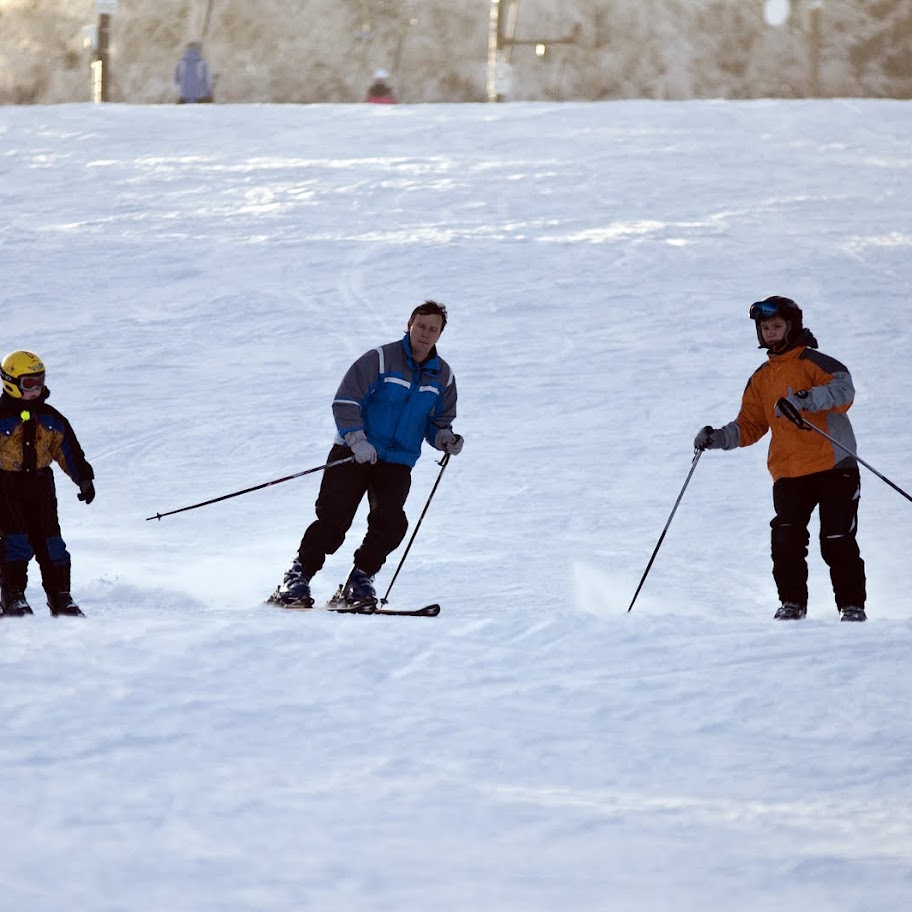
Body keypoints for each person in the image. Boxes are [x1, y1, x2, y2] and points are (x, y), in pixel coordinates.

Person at [271, 300, 462, 610]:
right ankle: (296, 577)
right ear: (409, 324)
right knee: (333, 521)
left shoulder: (442, 376)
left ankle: (359, 581)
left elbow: (438, 422)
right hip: (354, 452)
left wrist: (444, 439)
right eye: (421, 326)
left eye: (433, 329)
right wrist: (357, 440)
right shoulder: (381, 359)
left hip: (398, 460)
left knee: (391, 523)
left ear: (440, 334)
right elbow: (346, 401)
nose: (426, 334)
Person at [694, 296, 867, 622]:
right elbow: (749, 426)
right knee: (786, 539)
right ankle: (792, 605)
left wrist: (804, 399)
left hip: (834, 465)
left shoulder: (815, 362)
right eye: (765, 328)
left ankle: (852, 607)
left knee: (836, 539)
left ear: (791, 327)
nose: (771, 333)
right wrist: (716, 438)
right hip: (789, 471)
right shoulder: (761, 378)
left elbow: (843, 390)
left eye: (776, 326)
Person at [0, 351, 95, 617]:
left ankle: (61, 598)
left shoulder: (50, 417)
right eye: (29, 383)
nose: (37, 388)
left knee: (52, 543)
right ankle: (12, 597)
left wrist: (83, 479)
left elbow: (68, 450)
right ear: (10, 382)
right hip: (6, 486)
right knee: (16, 540)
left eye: (40, 381)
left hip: (41, 485)